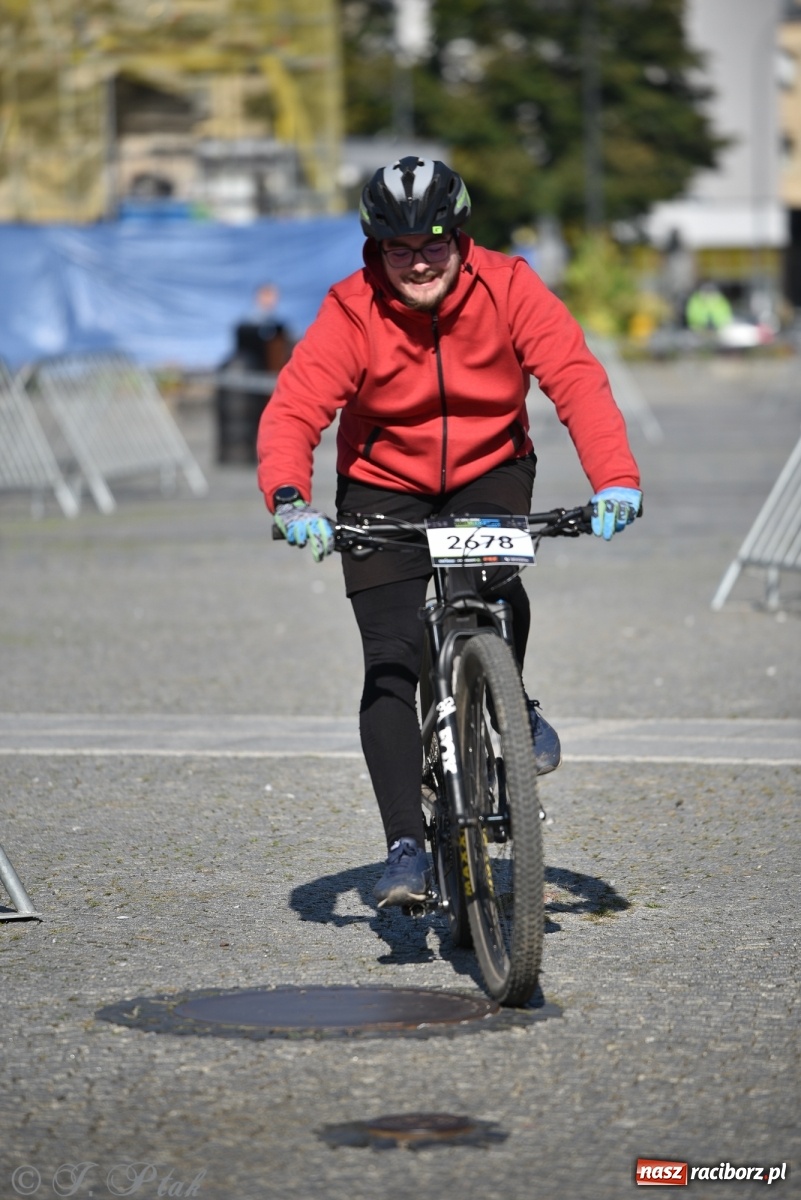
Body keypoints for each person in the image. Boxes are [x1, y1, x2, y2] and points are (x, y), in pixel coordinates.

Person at [257, 156, 641, 909]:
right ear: (376, 250)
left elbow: (574, 377)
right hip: (383, 483)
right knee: (391, 658)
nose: (418, 262)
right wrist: (290, 498)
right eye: (398, 250)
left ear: (460, 237)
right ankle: (403, 845)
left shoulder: (510, 287)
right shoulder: (351, 308)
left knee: (497, 574)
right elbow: (294, 409)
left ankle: (512, 699)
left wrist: (615, 480)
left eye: (433, 243)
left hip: (487, 467)